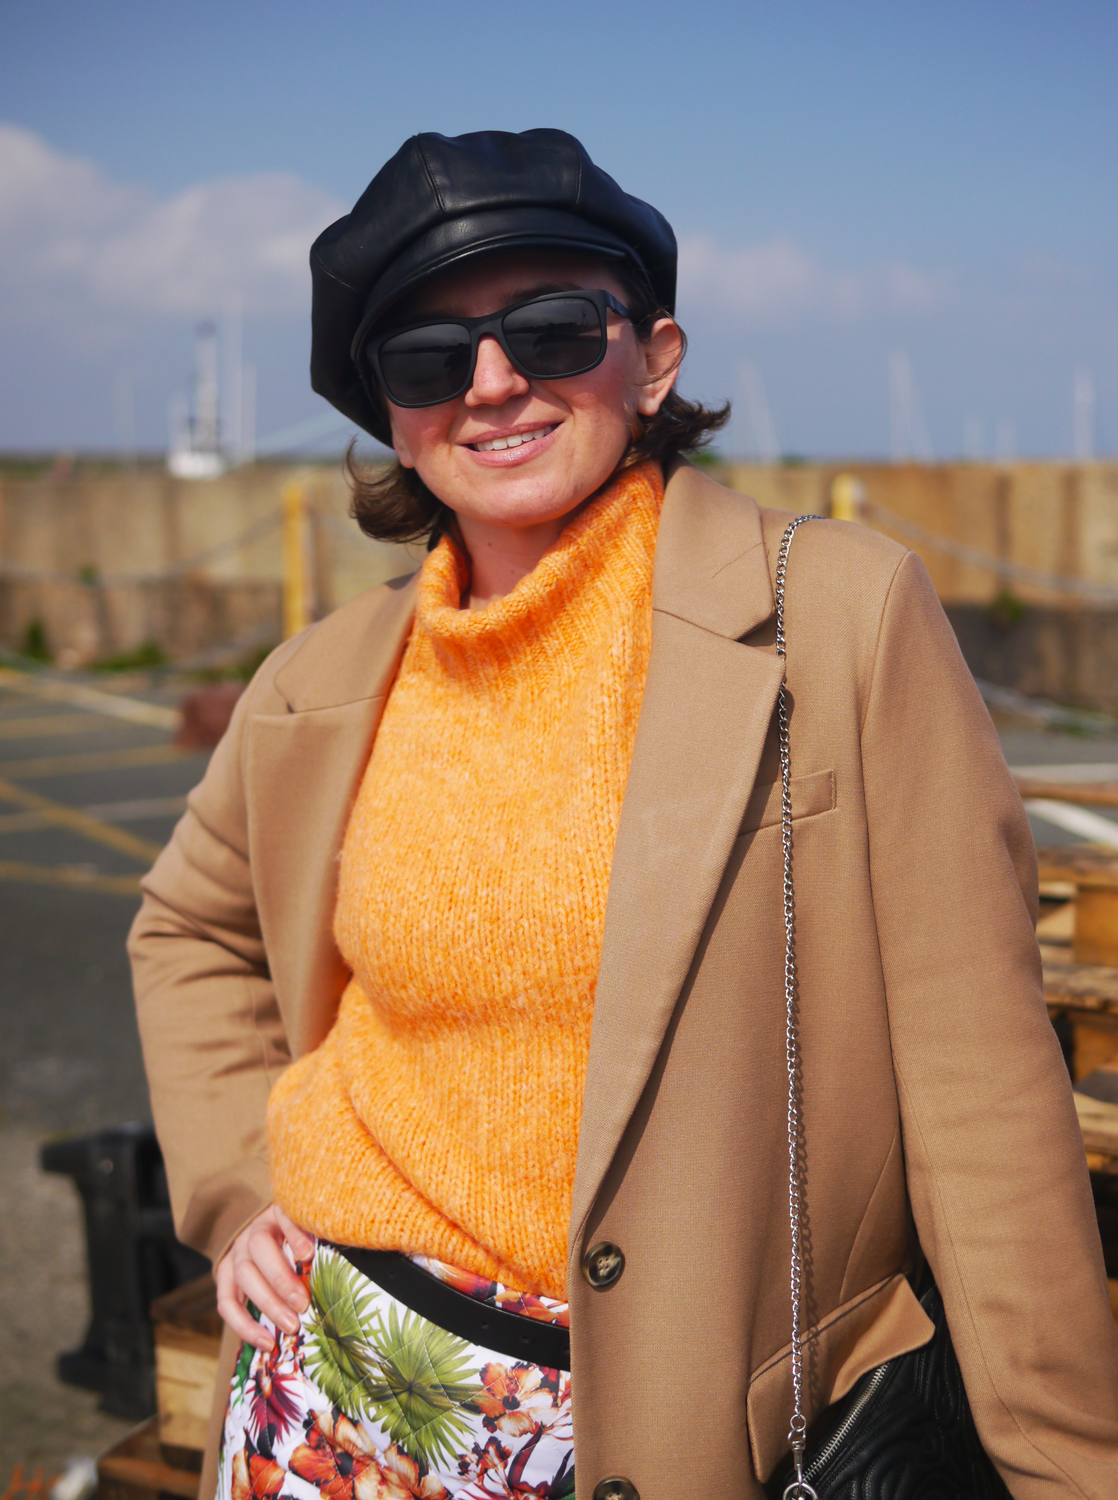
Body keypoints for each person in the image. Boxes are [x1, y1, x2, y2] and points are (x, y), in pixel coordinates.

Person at [129, 129, 1118, 1500]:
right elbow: (189, 931)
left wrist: (1068, 1464)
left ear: (652, 359)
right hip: (326, 1404)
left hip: (683, 1429)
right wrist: (240, 1186)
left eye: (550, 327)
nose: (492, 382)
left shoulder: (835, 617)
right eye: (427, 357)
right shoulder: (320, 683)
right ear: (389, 415)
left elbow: (982, 1085)